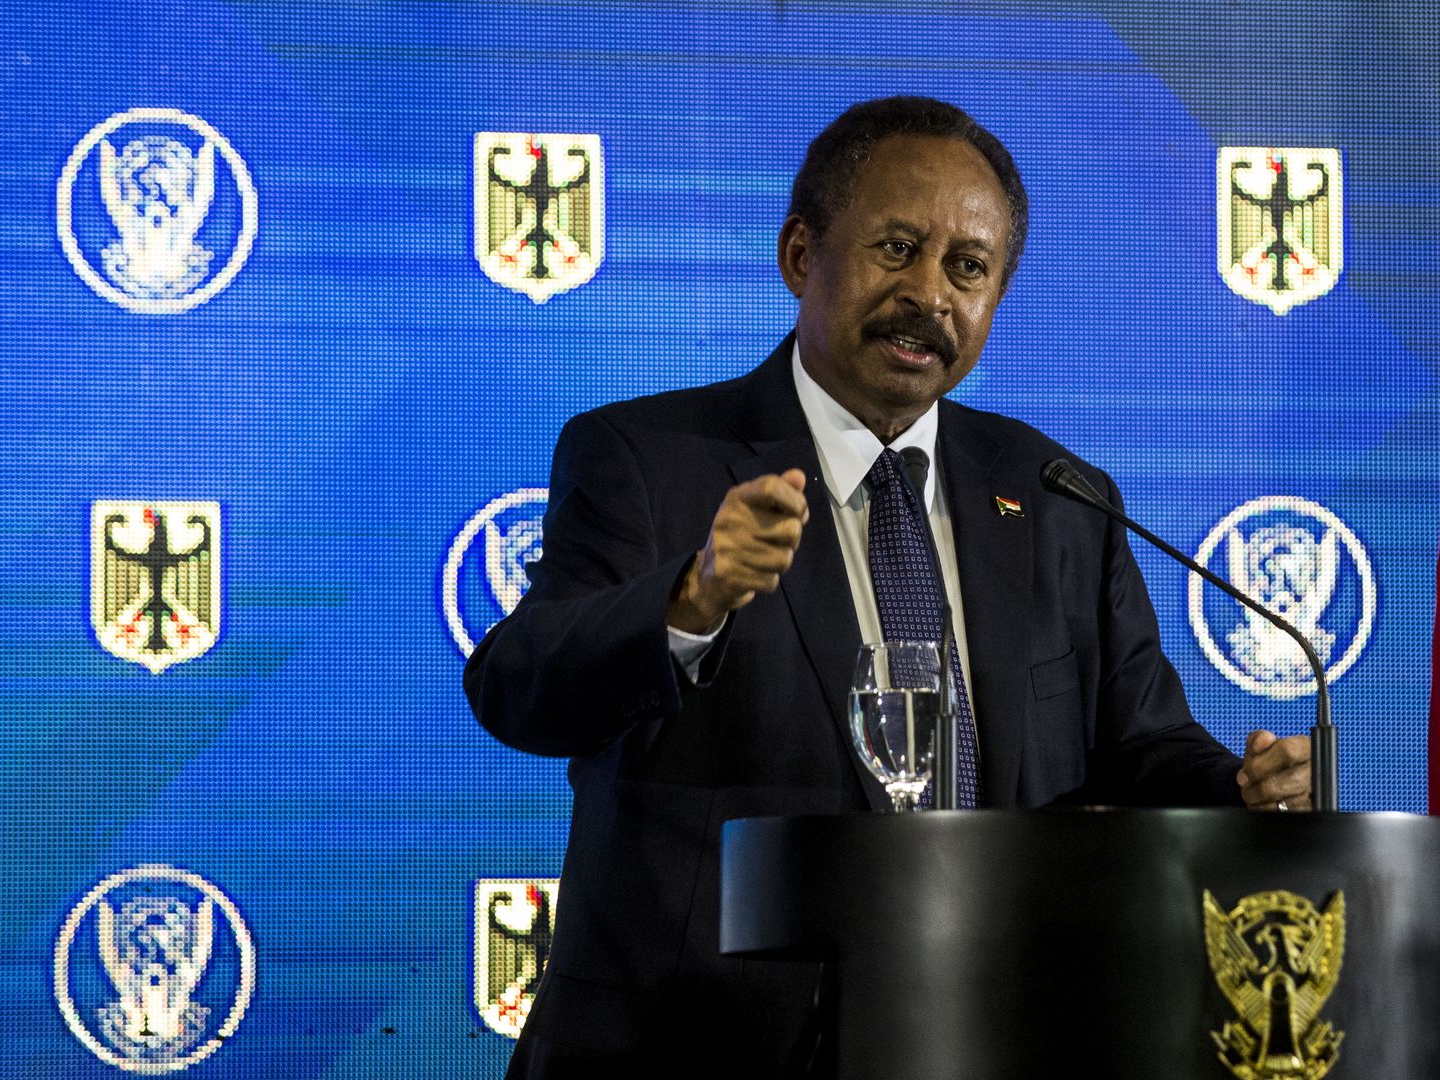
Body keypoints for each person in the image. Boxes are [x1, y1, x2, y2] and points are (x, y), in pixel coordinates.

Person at [465, 95, 1312, 1077]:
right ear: (798, 256)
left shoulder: (1057, 496)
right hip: (693, 1046)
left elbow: (1141, 745)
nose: (930, 295)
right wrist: (688, 604)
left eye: (968, 268)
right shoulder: (649, 459)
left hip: (982, 1033)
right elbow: (517, 689)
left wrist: (1241, 796)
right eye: (897, 248)